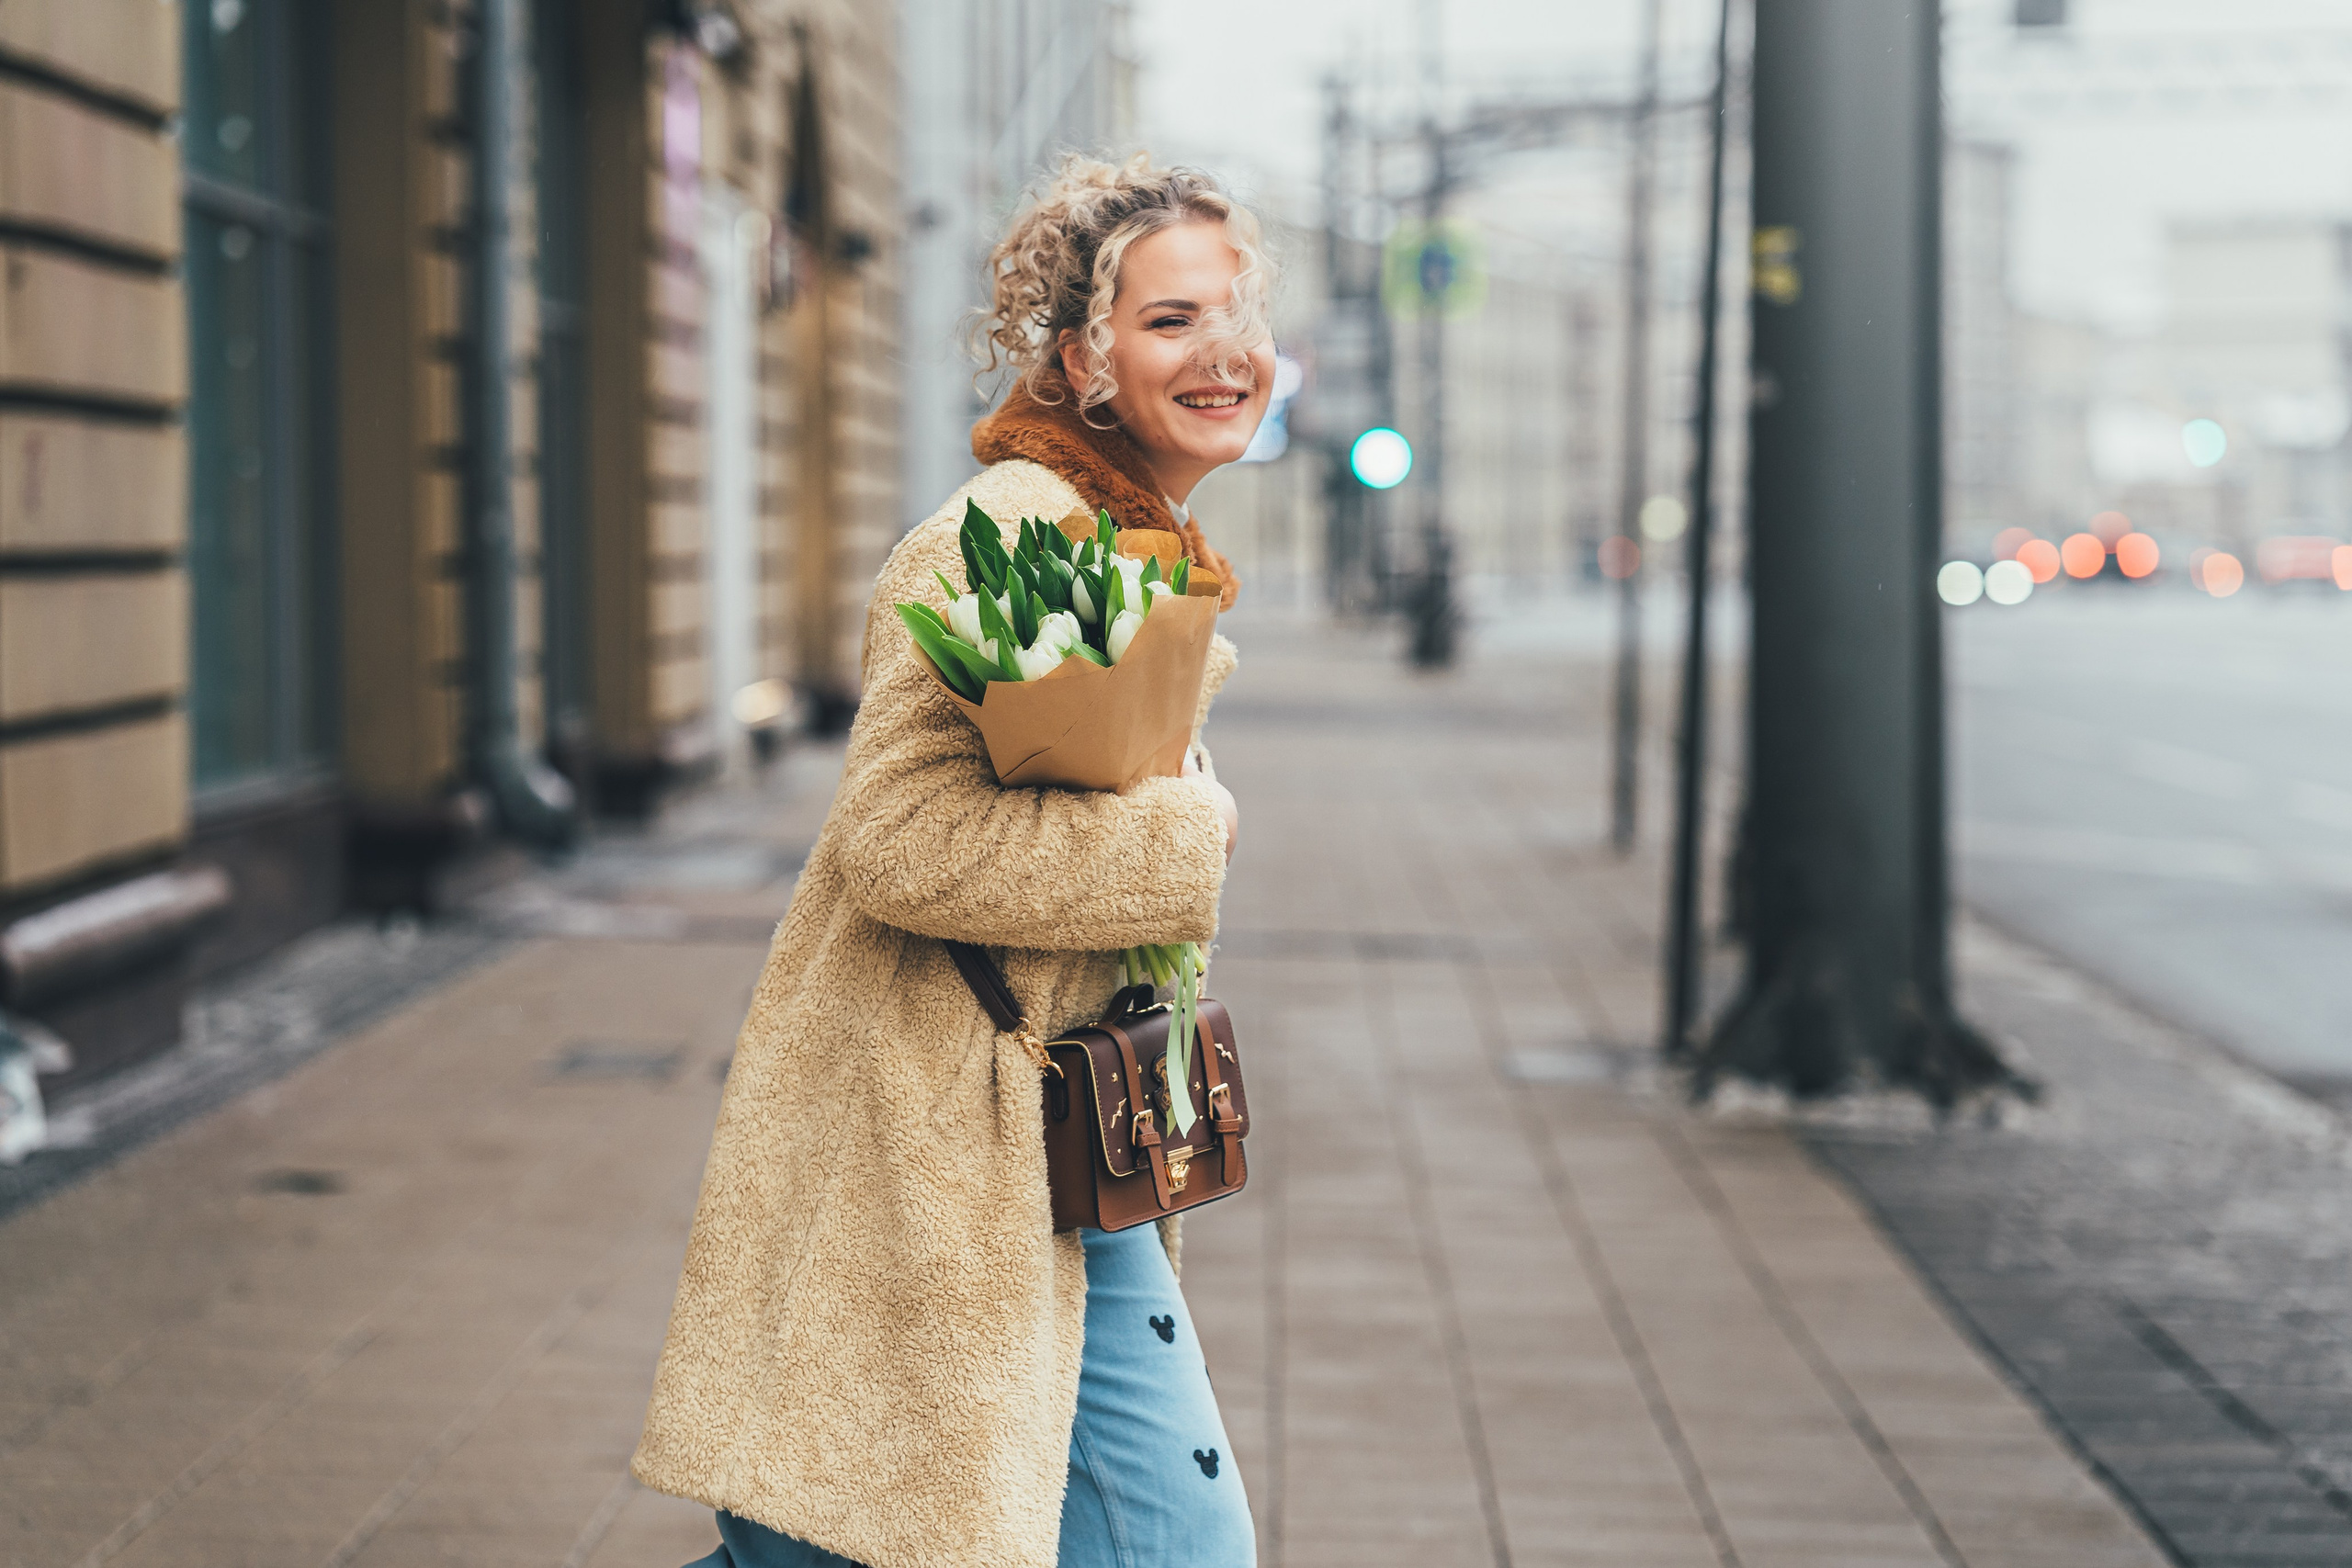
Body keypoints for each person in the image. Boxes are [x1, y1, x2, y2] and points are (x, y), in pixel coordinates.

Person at [632, 152, 1277, 1568]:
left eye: (1238, 316)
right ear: (1082, 360)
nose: (1225, 352)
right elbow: (898, 841)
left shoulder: (1131, 538)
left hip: (1058, 1151)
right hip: (939, 1147)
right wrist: (1188, 835)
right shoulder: (1002, 537)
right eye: (1172, 321)